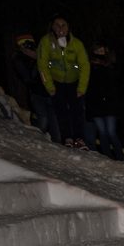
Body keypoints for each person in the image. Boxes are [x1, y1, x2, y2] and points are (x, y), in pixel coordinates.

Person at [36, 15, 90, 149]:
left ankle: (80, 139)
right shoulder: (46, 42)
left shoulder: (76, 43)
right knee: (61, 112)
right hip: (56, 82)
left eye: (63, 25)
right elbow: (42, 65)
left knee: (77, 111)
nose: (61, 28)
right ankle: (67, 138)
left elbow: (85, 65)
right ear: (52, 27)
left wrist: (81, 88)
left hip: (74, 82)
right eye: (57, 25)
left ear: (68, 27)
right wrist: (49, 86)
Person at [10, 33, 60, 143]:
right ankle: (34, 142)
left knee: (55, 122)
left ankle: (58, 146)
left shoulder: (41, 53)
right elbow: (27, 77)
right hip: (37, 94)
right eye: (23, 44)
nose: (27, 47)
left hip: (51, 93)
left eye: (28, 43)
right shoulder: (19, 58)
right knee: (43, 120)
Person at [84, 42, 124, 160]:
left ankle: (120, 158)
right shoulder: (89, 66)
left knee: (111, 132)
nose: (100, 53)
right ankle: (107, 158)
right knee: (102, 132)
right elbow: (88, 86)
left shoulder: (110, 66)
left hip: (110, 105)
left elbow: (115, 86)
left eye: (102, 51)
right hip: (95, 105)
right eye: (98, 51)